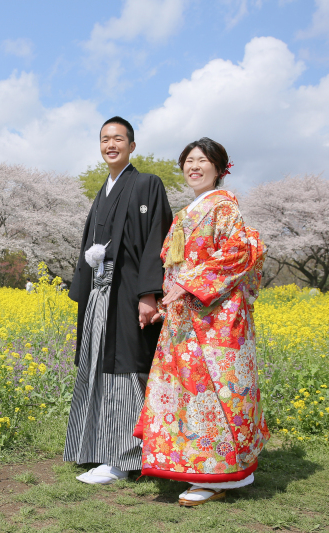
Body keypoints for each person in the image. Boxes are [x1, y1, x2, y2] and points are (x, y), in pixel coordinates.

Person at [133, 138, 269, 506]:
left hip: (214, 322)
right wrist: (168, 301)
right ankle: (197, 465)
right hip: (186, 318)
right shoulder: (186, 211)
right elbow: (175, 265)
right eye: (189, 161)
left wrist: (190, 285)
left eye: (203, 161)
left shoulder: (223, 207)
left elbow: (240, 252)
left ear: (220, 168)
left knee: (214, 393)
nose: (194, 167)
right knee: (187, 394)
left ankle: (216, 473)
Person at [65, 116, 172, 485]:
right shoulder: (102, 190)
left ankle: (125, 458)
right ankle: (96, 448)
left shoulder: (146, 184)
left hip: (127, 294)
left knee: (128, 366)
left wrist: (149, 294)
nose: (111, 145)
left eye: (118, 139)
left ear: (132, 146)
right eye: (105, 139)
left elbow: (156, 242)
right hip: (100, 294)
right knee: (97, 364)